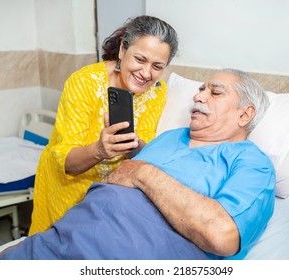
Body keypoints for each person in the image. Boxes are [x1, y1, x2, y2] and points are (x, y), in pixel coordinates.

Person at [0, 69, 275, 260]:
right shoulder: (171, 138)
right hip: (58, 242)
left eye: (215, 92)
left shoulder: (252, 164)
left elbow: (223, 236)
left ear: (245, 114)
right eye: (201, 90)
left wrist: (143, 173)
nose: (198, 96)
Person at [28, 15, 179, 235]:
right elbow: (68, 162)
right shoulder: (83, 83)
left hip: (107, 197)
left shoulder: (157, 91)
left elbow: (144, 149)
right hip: (65, 189)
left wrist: (132, 144)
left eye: (157, 66)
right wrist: (99, 150)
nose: (146, 73)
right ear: (122, 51)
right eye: (140, 59)